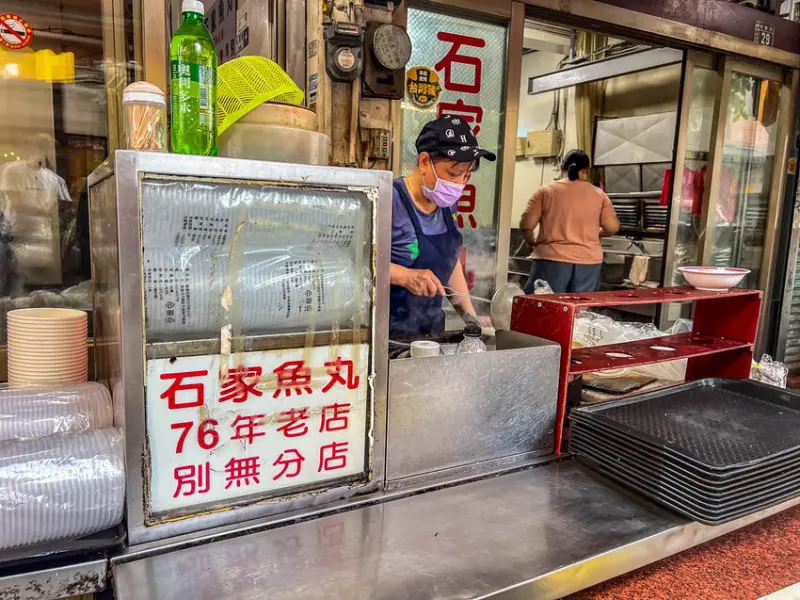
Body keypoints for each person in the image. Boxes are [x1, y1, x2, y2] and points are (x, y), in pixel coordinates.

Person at [390, 114, 496, 336]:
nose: (459, 184)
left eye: (466, 176)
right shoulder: (390, 200)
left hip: (430, 331)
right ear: (425, 162)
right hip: (387, 332)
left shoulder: (446, 203)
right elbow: (357, 264)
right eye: (454, 174)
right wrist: (404, 276)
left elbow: (449, 262)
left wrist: (470, 318)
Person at [519, 149, 619, 294]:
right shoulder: (599, 195)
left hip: (551, 261)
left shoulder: (546, 191)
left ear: (562, 168)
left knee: (544, 309)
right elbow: (612, 227)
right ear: (586, 171)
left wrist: (531, 242)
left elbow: (526, 225)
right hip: (588, 264)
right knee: (579, 313)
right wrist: (596, 233)